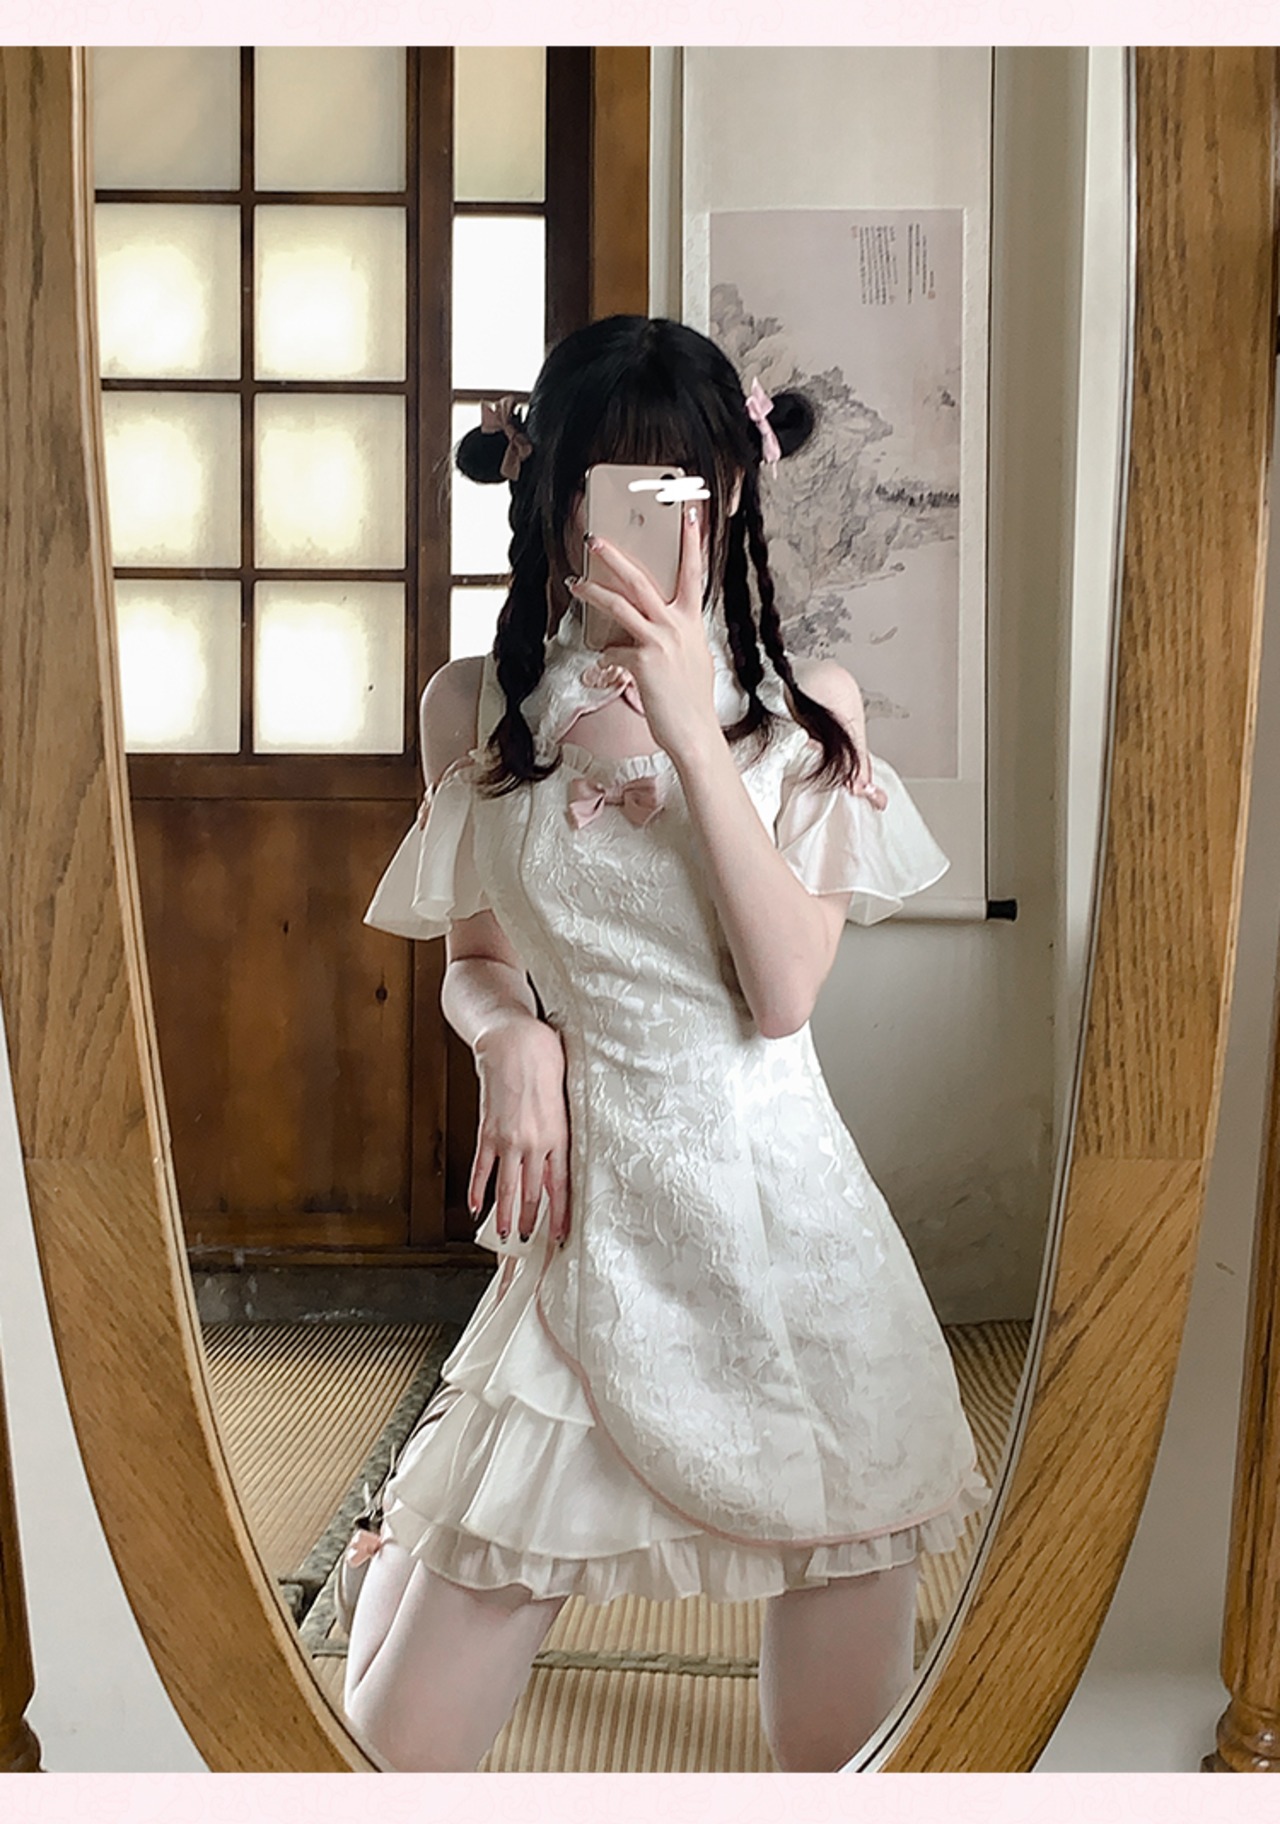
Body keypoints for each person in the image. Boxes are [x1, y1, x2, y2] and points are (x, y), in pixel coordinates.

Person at [345, 315, 991, 1773]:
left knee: (837, 1766)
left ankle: (393, 1558)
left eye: (686, 488)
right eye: (615, 488)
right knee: (397, 1761)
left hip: (796, 1244)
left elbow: (781, 996)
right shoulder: (474, 703)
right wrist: (510, 1042)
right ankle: (394, 1562)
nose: (653, 526)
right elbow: (475, 963)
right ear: (553, 493)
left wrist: (695, 730)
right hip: (590, 1243)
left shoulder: (810, 713)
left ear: (738, 489)